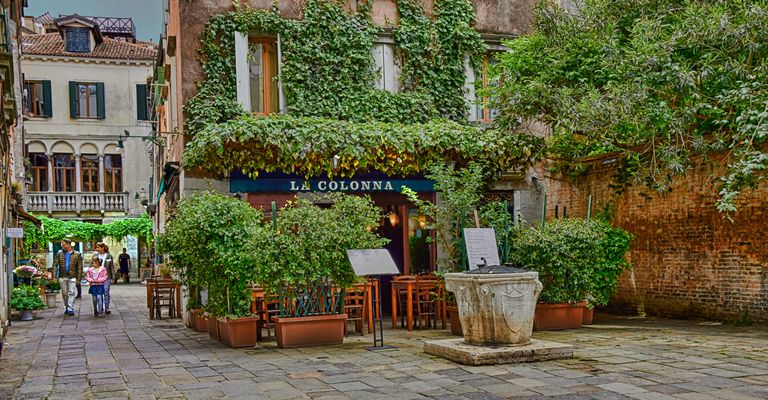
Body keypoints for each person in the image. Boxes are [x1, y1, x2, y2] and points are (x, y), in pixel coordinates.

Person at [49, 239, 83, 316]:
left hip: (73, 276)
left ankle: (70, 308)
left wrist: (79, 278)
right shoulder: (59, 253)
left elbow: (79, 267)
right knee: (64, 293)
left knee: (71, 292)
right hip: (62, 275)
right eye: (62, 245)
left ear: (69, 245)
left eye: (63, 245)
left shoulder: (77, 254)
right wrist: (54, 276)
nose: (62, 246)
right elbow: (55, 265)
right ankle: (66, 306)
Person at [95, 242, 115, 314]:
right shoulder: (95, 256)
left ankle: (107, 307)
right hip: (97, 277)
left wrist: (113, 277)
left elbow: (111, 266)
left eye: (98, 247)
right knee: (99, 292)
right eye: (96, 247)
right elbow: (92, 266)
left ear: (103, 247)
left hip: (107, 276)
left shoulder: (109, 256)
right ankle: (100, 307)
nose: (97, 249)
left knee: (106, 291)